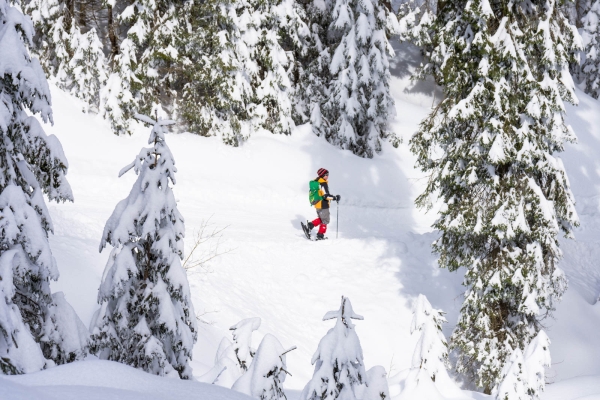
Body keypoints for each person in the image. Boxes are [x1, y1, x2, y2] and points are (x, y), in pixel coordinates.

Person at [306, 168, 340, 240]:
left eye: (328, 174)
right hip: (323, 204)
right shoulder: (323, 183)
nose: (327, 176)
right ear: (323, 175)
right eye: (326, 175)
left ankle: (311, 225)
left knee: (322, 218)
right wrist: (335, 198)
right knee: (325, 220)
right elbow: (326, 196)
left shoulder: (316, 181)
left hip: (317, 204)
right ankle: (320, 235)